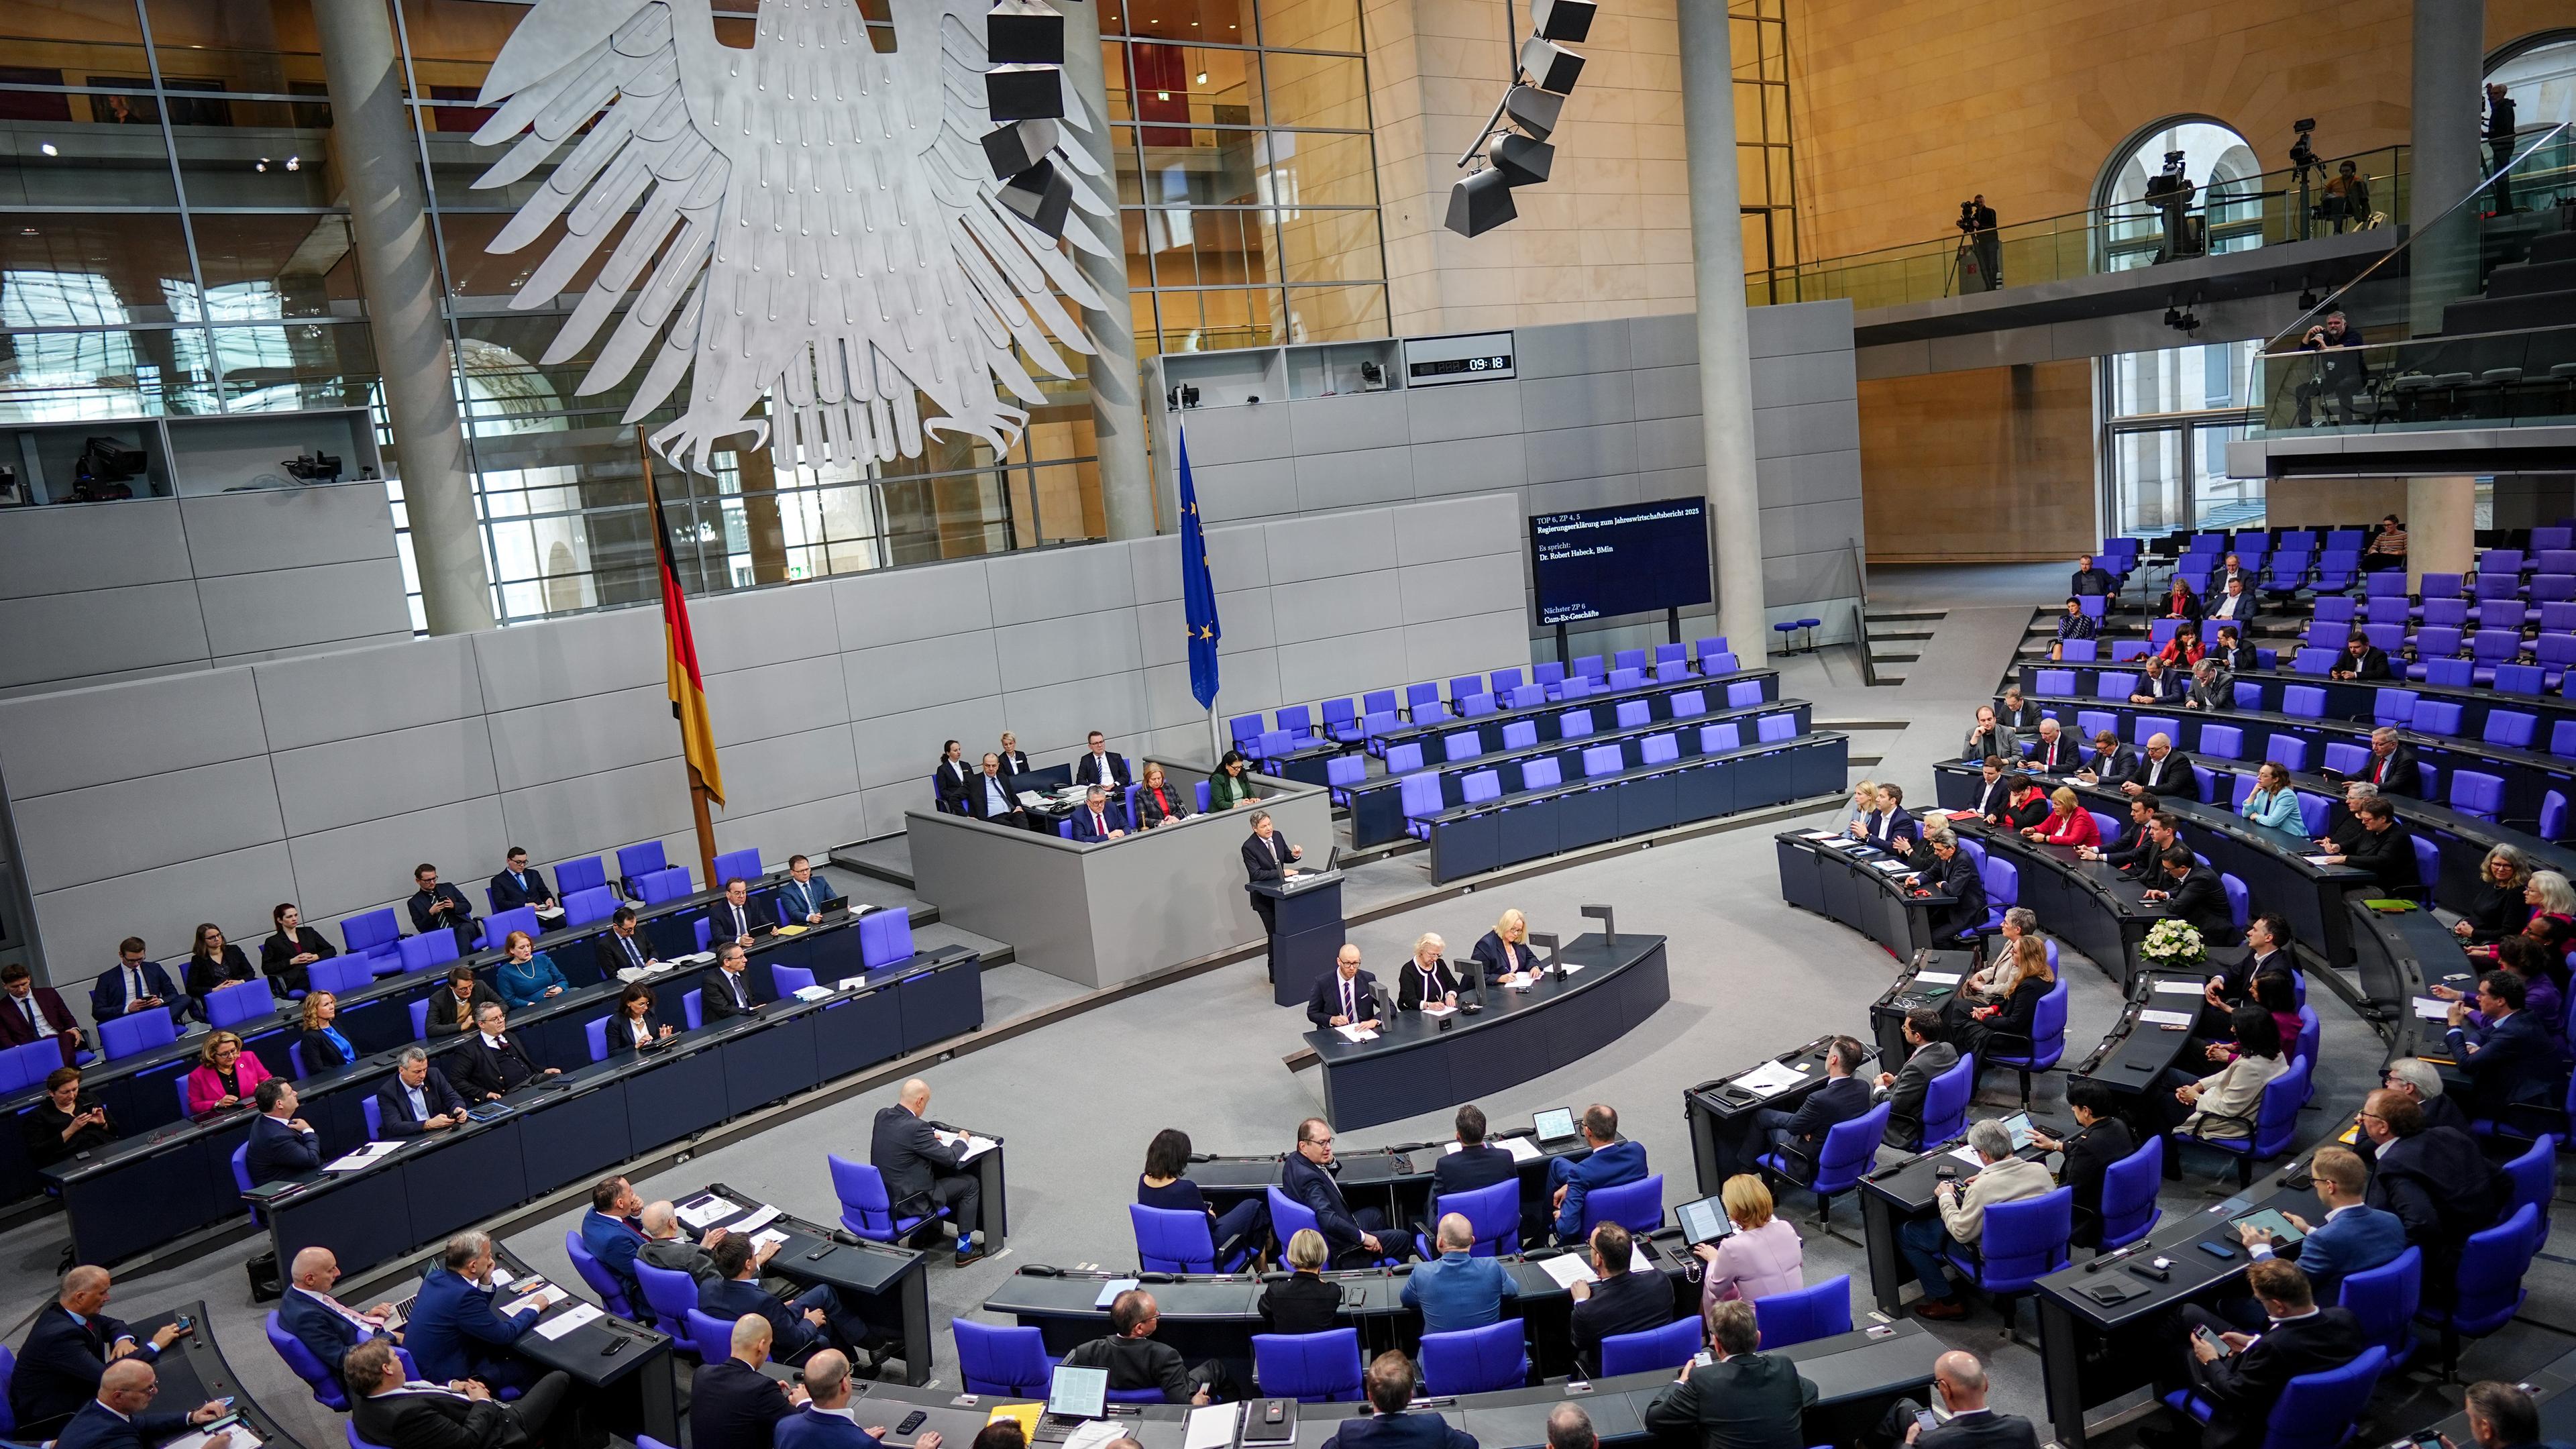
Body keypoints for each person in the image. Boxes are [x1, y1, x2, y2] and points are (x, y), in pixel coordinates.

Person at [2169, 1260, 2366, 1449]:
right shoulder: (2344, 1317)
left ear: (2279, 1306)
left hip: (2253, 1415)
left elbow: (2234, 1393)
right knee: (2189, 1313)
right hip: (2318, 1407)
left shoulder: (2274, 1348)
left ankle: (2183, 1437)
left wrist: (2210, 1359)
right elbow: (2299, 1346)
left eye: (2260, 1300)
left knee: (2182, 1351)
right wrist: (2254, 1342)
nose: (2260, 1304)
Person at [1899, 1117, 2055, 1320]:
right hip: (2041, 1249)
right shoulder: (2040, 1171)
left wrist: (1946, 1198)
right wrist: (1987, 1175)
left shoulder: (1982, 1189)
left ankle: (1947, 1301)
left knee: (1906, 1233)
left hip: (1994, 1255)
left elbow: (1961, 1233)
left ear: (1986, 1155)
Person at [2357, 1090, 2505, 1301]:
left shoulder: (2395, 1164)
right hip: (2482, 1247)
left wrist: (2394, 1259)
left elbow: (2422, 1224)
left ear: (2383, 1126)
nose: (2361, 1119)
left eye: (2366, 1115)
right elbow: (2502, 1180)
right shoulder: (2449, 1133)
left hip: (2440, 1268)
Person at [11, 1267, 181, 1438]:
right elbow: (106, 1376)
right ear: (80, 1297)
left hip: (74, 1391)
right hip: (55, 1417)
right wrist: (155, 1345)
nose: (107, 1298)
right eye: (102, 1293)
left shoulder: (67, 1312)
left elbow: (112, 1324)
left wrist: (122, 1339)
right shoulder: (58, 1336)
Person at [2232, 1145, 2403, 1305]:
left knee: (2229, 1304)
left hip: (2329, 1318)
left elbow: (2287, 1287)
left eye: (2314, 1180)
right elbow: (2356, 1245)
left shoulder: (2324, 1240)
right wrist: (2310, 1230)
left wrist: (2260, 1249)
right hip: (2379, 1306)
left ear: (2329, 1186)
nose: (2314, 1185)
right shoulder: (2391, 1220)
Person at [1642, 1299, 1816, 1449]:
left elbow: (1654, 1419)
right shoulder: (1783, 1366)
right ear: (1758, 1338)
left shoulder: (1703, 1380)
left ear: (1717, 1344)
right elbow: (1811, 1393)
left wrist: (1681, 1382)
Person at [406, 1232, 556, 1391]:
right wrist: (534, 1307)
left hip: (426, 1364)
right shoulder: (465, 1296)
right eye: (488, 1256)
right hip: (448, 1377)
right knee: (538, 1367)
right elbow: (504, 1335)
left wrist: (485, 1281)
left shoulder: (435, 1277)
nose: (491, 1260)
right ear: (472, 1266)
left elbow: (475, 1314)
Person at [702, 1232, 863, 1366]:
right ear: (748, 1264)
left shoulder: (707, 1288)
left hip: (754, 1334)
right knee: (823, 1320)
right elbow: (795, 1341)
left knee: (824, 1292)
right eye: (753, 1254)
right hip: (776, 1353)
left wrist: (778, 1310)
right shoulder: (763, 1302)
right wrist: (810, 1322)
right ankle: (849, 1366)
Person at [871, 1077, 984, 1265]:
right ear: (919, 1101)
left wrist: (928, 1138)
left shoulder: (882, 1115)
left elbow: (901, 1139)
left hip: (885, 1197)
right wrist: (962, 1139)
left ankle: (924, 1234)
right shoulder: (917, 1128)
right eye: (927, 1102)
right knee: (970, 1184)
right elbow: (949, 1158)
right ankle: (965, 1249)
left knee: (927, 1172)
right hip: (912, 1201)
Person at [1282, 1117, 1418, 1264]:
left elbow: (1325, 1182)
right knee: (1404, 1239)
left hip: (1341, 1225)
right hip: (1341, 1244)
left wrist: (1331, 1162)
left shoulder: (1294, 1160)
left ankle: (1379, 1256)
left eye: (1329, 1141)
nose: (1328, 1148)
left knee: (1376, 1215)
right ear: (1303, 1146)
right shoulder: (1309, 1179)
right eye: (1322, 1143)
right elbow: (1328, 1220)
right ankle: (1382, 1271)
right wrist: (1364, 1238)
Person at [1735, 1035, 1868, 1183]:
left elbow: (1793, 1128)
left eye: (1829, 1052)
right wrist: (1806, 1124)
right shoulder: (1863, 1087)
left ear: (1834, 1060)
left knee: (1762, 1118)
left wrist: (1803, 1125)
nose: (1827, 1055)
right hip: (1849, 1154)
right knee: (1785, 1118)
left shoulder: (1819, 1099)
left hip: (1811, 1159)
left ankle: (1747, 1176)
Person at [1059, 1291, 1227, 1405]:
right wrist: (1196, 1401)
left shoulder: (1086, 1351)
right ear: (1139, 1328)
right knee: (1214, 1367)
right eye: (1155, 1315)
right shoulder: (1166, 1356)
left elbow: (1073, 1400)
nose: (1159, 1316)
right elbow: (1181, 1404)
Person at [2029, 1080, 2135, 1248]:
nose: (2072, 1109)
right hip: (2115, 1198)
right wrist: (2056, 1145)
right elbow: (2097, 1152)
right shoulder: (2118, 1125)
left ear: (2086, 1111)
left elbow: (2069, 1191)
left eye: (2074, 1106)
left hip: (2088, 1213)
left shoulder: (2086, 1146)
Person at [1140, 1127, 1266, 1269]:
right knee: (1254, 1207)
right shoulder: (1185, 1189)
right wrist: (1210, 1215)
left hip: (1162, 1250)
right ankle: (1265, 1264)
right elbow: (1209, 1224)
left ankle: (1260, 1258)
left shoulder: (1143, 1182)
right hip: (1202, 1249)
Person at [280, 1246, 400, 1392]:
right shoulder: (306, 1316)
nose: (338, 1273)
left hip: (368, 1332)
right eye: (331, 1270)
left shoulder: (301, 1293)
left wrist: (367, 1315)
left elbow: (338, 1317)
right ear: (310, 1279)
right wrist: (391, 1337)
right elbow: (342, 1358)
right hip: (368, 1361)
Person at [2443, 971, 2557, 1122]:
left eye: (2482, 995)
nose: (2477, 998)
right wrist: (2470, 1045)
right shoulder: (2520, 1016)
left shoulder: (2514, 1031)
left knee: (2449, 1100)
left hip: (2524, 1108)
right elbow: (2483, 1034)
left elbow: (2466, 1064)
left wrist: (2454, 1025)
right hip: (2520, 1087)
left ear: (2500, 1001)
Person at [776, 1350, 940, 1449]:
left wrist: (858, 1437)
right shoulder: (861, 1444)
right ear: (844, 1385)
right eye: (849, 1373)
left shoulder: (784, 1427)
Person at [2166, 1006, 2287, 1141]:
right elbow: (2228, 1074)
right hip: (2217, 1097)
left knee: (2161, 1100)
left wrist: (2196, 1097)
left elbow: (2228, 1108)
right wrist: (2199, 1086)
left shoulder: (2250, 1068)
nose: (2232, 1030)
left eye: (2235, 1028)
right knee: (2167, 1075)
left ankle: (2167, 1154)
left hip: (2223, 1120)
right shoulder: (2274, 1052)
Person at [690, 1314, 809, 1449]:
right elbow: (803, 1429)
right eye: (769, 1345)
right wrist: (803, 1402)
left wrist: (772, 1398)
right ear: (762, 1345)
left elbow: (734, 1403)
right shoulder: (762, 1389)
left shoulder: (702, 1374)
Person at [54, 1359, 231, 1449]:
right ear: (118, 1396)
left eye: (154, 1384)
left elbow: (141, 1423)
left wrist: (192, 1417)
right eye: (147, 1389)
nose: (155, 1392)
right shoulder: (117, 1442)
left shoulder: (96, 1409)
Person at [1567, 1222, 1670, 1375]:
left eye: (1591, 1245)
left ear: (1598, 1260)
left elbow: (1579, 1343)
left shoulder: (1587, 1310)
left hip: (1614, 1378)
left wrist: (1581, 1301)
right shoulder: (1660, 1280)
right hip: (1662, 1365)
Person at [1877, 1351, 2037, 1449]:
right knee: (1905, 1408)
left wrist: (1910, 1442)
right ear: (1986, 1383)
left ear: (1945, 1389)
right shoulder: (2021, 1427)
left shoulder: (1930, 1443)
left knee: (1897, 1443)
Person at [2438, 935, 2565, 1053]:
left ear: (2520, 964)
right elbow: (2497, 1002)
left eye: (2504, 959)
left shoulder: (2539, 997)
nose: (2499, 961)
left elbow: (2500, 1025)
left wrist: (2467, 1010)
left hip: (2540, 1051)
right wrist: (2460, 995)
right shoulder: (2528, 978)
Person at [1320, 1353, 1474, 1449]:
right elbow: (1471, 1444)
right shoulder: (1434, 1426)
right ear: (1410, 1395)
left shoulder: (1349, 1432)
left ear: (1370, 1396)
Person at [1695, 1175, 1802, 1311]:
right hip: (1798, 1312)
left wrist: (1714, 1259)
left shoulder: (1731, 1246)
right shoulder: (1786, 1227)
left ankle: (1709, 1332)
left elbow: (1716, 1290)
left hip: (1759, 1324)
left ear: (1733, 1211)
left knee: (1710, 1290)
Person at [1401, 1213, 1519, 1332]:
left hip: (1441, 1351)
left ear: (1440, 1242)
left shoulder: (1421, 1272)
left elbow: (1407, 1299)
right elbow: (1512, 1290)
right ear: (1472, 1241)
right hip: (1489, 1350)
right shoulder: (1492, 1266)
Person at [1548, 1103, 1647, 1242]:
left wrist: (1562, 1215)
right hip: (1635, 1222)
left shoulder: (1581, 1173)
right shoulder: (1637, 1151)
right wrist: (1571, 1185)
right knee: (1557, 1164)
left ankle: (1544, 1233)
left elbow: (1568, 1228)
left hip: (1597, 1238)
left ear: (1588, 1131)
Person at [1954, 935, 2055, 1063]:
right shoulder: (2038, 974)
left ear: (2026, 957)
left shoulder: (2030, 986)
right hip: (2008, 1021)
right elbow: (2011, 1000)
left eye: (2015, 951)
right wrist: (1993, 1009)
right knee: (1956, 1006)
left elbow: (2014, 1024)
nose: (2011, 952)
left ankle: (1962, 1068)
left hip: (2013, 1040)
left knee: (1959, 1023)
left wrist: (1984, 1018)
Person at [1872, 1008, 1957, 1150]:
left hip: (1909, 1127)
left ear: (1917, 1036)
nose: (1903, 1030)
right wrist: (1897, 1081)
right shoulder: (1948, 1048)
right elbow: (1928, 1077)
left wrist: (1880, 1088)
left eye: (1905, 1028)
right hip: (1940, 1114)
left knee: (1862, 1094)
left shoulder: (1916, 1068)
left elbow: (1894, 1106)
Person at [451, 1002, 557, 1100]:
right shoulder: (469, 1049)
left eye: (501, 1016)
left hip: (533, 1079)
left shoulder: (510, 1036)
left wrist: (544, 1071)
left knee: (558, 1080)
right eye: (495, 1019)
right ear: (481, 1024)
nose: (501, 1020)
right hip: (510, 1092)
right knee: (536, 1097)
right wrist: (484, 1094)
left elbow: (526, 1062)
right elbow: (457, 1081)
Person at [2143, 846, 2237, 945]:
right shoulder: (2191, 868)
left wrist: (2167, 901)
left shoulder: (2200, 879)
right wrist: (2165, 894)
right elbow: (2184, 889)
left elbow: (2176, 907)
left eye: (2168, 869)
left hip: (2213, 928)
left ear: (2183, 868)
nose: (2166, 872)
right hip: (2199, 913)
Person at [581, 1175, 651, 1308]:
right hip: (644, 1295)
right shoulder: (615, 1241)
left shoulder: (595, 1214)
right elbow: (645, 1274)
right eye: (630, 1192)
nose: (634, 1195)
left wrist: (635, 1214)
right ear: (619, 1203)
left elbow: (627, 1229)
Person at [91, 938, 193, 1027]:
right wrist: (127, 1008)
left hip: (154, 1011)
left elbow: (172, 994)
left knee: (185, 998)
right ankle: (160, 1025)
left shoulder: (154, 968)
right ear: (121, 955)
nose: (136, 964)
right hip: (127, 1017)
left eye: (140, 959)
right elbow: (98, 1012)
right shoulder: (106, 978)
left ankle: (155, 1025)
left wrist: (160, 1001)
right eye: (131, 961)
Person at [2318, 796, 2414, 890]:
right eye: (2363, 818)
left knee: (2335, 891)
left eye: (2367, 819)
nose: (2363, 822)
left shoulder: (2398, 836)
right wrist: (2338, 847)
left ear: (2383, 819)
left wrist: (2344, 859)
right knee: (2327, 886)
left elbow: (2381, 861)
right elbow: (2355, 842)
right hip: (2365, 877)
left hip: (2385, 886)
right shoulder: (2372, 828)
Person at [0, 962, 85, 1065]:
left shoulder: (48, 994)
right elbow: (3, 1038)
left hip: (57, 1040)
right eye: (15, 987)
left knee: (66, 1037)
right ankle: (65, 1073)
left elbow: (68, 1018)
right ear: (5, 986)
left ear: (29, 979)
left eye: (24, 984)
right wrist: (19, 1052)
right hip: (29, 1048)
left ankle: (61, 1073)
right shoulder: (2, 1008)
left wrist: (74, 1029)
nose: (21, 990)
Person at [24, 1067, 111, 1167]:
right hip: (70, 1160)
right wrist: (71, 1130)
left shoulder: (89, 1098)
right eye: (65, 1092)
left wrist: (103, 1123)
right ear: (52, 1093)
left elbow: (114, 1130)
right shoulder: (38, 1116)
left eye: (75, 1089)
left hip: (104, 1148)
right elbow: (38, 1152)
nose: (72, 1095)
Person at [1257, 1229, 1340, 1333]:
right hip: (1320, 1349)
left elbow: (1263, 1310)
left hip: (1286, 1349)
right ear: (1323, 1254)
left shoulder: (1276, 1290)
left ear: (1292, 1254)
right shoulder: (1333, 1292)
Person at [375, 1046, 470, 1135]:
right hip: (412, 1137)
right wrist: (427, 1124)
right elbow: (395, 1126)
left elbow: (453, 1097)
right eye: (417, 1072)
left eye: (425, 1069)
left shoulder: (433, 1075)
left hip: (439, 1132)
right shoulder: (388, 1092)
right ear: (402, 1070)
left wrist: (458, 1109)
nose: (423, 1075)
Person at [2452, 844, 2535, 943]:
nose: (2500, 869)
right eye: (2496, 864)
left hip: (2484, 943)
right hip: (2470, 934)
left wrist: (2473, 933)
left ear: (2517, 868)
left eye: (2507, 866)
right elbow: (2478, 915)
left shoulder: (2517, 894)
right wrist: (2463, 924)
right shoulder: (2493, 882)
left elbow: (2509, 932)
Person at [1434, 1103, 1521, 1196]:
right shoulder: (1505, 1157)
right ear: (1484, 1131)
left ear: (1458, 1135)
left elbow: (1437, 1206)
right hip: (1501, 1210)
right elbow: (1515, 1192)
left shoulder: (1445, 1165)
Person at [1243, 810, 1306, 936]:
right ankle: (1273, 958)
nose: (1269, 828)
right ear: (1255, 829)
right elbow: (1257, 874)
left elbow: (1285, 856)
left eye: (1270, 824)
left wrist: (1294, 855)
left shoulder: (1277, 836)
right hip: (1264, 899)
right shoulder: (1249, 847)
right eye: (1264, 826)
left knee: (1287, 932)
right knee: (1275, 935)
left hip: (1282, 893)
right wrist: (1282, 873)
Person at [1921, 832, 1987, 951]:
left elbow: (1954, 890)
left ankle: (1970, 949)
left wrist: (1943, 884)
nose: (1936, 853)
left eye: (1939, 850)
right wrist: (1916, 881)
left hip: (1969, 912)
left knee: (1936, 938)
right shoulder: (1944, 856)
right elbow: (1931, 872)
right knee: (1925, 926)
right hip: (1953, 907)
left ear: (1951, 849)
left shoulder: (1963, 861)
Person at [243, 1079, 318, 1183]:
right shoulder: (276, 1138)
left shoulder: (264, 1118)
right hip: (291, 1188)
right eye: (290, 1093)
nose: (296, 1093)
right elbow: (312, 1160)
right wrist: (308, 1131)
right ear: (279, 1104)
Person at [259, 903, 337, 1000]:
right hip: (296, 978)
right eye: (289, 917)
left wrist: (316, 956)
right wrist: (292, 961)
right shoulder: (273, 941)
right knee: (323, 985)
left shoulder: (309, 932)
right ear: (280, 920)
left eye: (296, 915)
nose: (294, 919)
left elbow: (331, 950)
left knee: (330, 978)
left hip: (316, 971)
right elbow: (267, 968)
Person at [182, 1029, 270, 1114]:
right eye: (225, 1054)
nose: (231, 1056)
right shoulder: (197, 1076)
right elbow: (195, 1105)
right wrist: (217, 1103)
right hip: (223, 1117)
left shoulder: (248, 1057)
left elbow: (267, 1080)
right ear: (212, 1055)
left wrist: (262, 1090)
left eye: (233, 1050)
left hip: (254, 1111)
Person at [486, 847, 564, 932]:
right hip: (519, 915)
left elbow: (544, 892)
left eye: (524, 862)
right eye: (518, 862)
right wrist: (525, 906)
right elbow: (501, 903)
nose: (522, 865)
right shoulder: (498, 880)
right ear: (509, 861)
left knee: (562, 922)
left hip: (540, 913)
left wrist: (548, 899)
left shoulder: (533, 874)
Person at [1306, 945, 1381, 1032]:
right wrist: (1332, 1019)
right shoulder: (1323, 982)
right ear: (1339, 961)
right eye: (1347, 964)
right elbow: (1312, 1013)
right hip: (1335, 1033)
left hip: (1363, 1031)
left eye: (1356, 963)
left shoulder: (1368, 979)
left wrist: (1374, 1021)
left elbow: (1389, 1007)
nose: (1352, 968)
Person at [408, 864, 480, 953]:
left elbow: (468, 907)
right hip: (439, 934)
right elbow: (421, 927)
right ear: (418, 881)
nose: (432, 882)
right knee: (459, 940)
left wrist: (454, 906)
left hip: (463, 926)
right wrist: (431, 914)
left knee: (461, 932)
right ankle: (466, 964)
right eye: (428, 880)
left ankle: (461, 964)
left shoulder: (448, 887)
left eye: (434, 878)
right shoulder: (414, 902)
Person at [180, 922, 256, 1004]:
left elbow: (250, 972)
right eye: (211, 938)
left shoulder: (234, 950)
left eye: (218, 935)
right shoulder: (198, 960)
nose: (217, 939)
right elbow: (191, 988)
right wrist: (213, 990)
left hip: (239, 991)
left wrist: (240, 981)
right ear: (203, 941)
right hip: (218, 998)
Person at [490, 930, 567, 1009]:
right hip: (534, 1006)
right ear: (512, 950)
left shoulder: (542, 959)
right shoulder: (505, 971)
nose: (527, 950)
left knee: (576, 992)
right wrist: (529, 1005)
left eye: (528, 945)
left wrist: (559, 988)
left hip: (557, 997)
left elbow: (561, 980)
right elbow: (510, 1000)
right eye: (522, 948)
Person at [424, 965, 504, 1039]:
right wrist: (462, 1026)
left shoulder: (480, 986)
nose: (469, 991)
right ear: (451, 987)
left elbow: (502, 1004)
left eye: (471, 986)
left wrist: (486, 1017)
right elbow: (431, 1029)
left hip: (480, 1031)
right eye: (463, 989)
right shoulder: (438, 999)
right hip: (457, 1036)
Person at [290, 989, 357, 1073]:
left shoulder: (335, 1025)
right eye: (326, 1005)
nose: (332, 1007)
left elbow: (355, 1052)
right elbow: (317, 1069)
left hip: (356, 1070)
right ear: (314, 1010)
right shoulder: (310, 1037)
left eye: (331, 1002)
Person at [959, 753, 1030, 828]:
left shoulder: (1003, 777)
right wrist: (966, 816)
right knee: (1011, 827)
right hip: (992, 818)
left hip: (1010, 813)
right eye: (987, 766)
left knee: (1021, 817)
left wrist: (1019, 807)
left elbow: (1013, 795)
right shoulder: (974, 781)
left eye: (994, 766)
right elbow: (954, 798)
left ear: (998, 765)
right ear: (983, 765)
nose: (991, 769)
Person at [2235, 762, 2306, 838]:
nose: (2258, 777)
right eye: (2259, 774)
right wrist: (2253, 794)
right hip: (2271, 834)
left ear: (2276, 779)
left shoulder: (2287, 795)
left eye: (2264, 775)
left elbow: (2272, 822)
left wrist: (2257, 816)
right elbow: (2246, 814)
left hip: (2292, 839)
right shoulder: (2264, 792)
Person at [702, 943, 768, 1021]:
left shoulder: (744, 973)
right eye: (740, 957)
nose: (745, 960)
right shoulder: (711, 982)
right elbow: (724, 1010)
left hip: (749, 1017)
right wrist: (751, 1010)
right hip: (727, 1022)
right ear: (727, 962)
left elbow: (751, 998)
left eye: (744, 956)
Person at [1397, 933, 1461, 1011]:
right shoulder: (1408, 970)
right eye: (1432, 954)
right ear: (1421, 950)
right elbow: (1409, 1000)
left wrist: (1451, 995)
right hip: (1415, 1013)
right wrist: (1429, 1005)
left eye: (1438, 955)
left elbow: (1453, 984)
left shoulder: (1440, 964)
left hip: (1440, 1010)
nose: (1435, 959)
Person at [607, 980, 674, 1053]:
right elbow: (613, 1053)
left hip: (653, 1055)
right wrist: (636, 1046)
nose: (646, 1008)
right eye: (641, 1004)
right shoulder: (615, 1022)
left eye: (647, 1003)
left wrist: (663, 1037)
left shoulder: (649, 1013)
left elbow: (654, 1037)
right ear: (628, 1003)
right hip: (632, 1060)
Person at [2357, 727, 2419, 796]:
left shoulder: (2406, 760)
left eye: (2379, 744)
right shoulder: (2377, 754)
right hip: (2378, 792)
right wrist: (2344, 779)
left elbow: (2393, 785)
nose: (2374, 748)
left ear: (2393, 745)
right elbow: (2363, 773)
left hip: (2396, 796)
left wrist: (2366, 788)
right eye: (2373, 743)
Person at [2027, 786, 2098, 847]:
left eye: (2057, 804)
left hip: (2085, 854)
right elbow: (2045, 827)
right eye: (2053, 804)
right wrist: (2033, 830)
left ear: (2068, 805)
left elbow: (2073, 840)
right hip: (2063, 850)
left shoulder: (2081, 816)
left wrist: (2046, 838)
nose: (2053, 807)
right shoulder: (2059, 812)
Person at [2485, 83, 2518, 213]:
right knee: (2500, 179)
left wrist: (2486, 134)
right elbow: (2494, 106)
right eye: (2492, 93)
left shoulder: (2505, 109)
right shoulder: (2502, 107)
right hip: (2501, 147)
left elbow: (2502, 130)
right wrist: (2488, 95)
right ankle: (2503, 209)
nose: (2493, 96)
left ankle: (2504, 210)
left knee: (2502, 180)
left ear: (2503, 94)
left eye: (2496, 93)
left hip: (2502, 147)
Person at [778, 854, 838, 922]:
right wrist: (810, 918)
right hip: (806, 924)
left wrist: (842, 907)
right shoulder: (786, 891)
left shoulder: (820, 882)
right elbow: (794, 913)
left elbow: (835, 900)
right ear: (792, 873)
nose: (805, 873)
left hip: (826, 918)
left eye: (807, 869)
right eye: (801, 871)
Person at [2127, 734, 2192, 796]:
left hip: (2174, 798)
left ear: (2166, 748)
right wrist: (2129, 783)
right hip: (2151, 795)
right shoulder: (2148, 756)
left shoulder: (2179, 761)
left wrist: (2143, 789)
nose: (2150, 753)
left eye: (2154, 749)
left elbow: (2172, 787)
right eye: (2148, 749)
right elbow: (2138, 775)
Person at [706, 877, 761, 949]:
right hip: (729, 948)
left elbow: (763, 920)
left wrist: (771, 929)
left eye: (744, 892)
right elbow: (719, 937)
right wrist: (739, 940)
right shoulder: (716, 911)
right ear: (728, 894)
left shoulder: (753, 902)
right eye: (737, 893)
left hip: (750, 943)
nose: (742, 896)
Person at [1134, 762, 1193, 827]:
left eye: (1159, 778)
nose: (1157, 782)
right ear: (1147, 779)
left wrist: (1176, 817)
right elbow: (1142, 820)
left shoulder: (1169, 788)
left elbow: (1182, 808)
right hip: (1158, 828)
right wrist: (1162, 822)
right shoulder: (1141, 794)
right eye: (1153, 779)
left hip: (1175, 824)